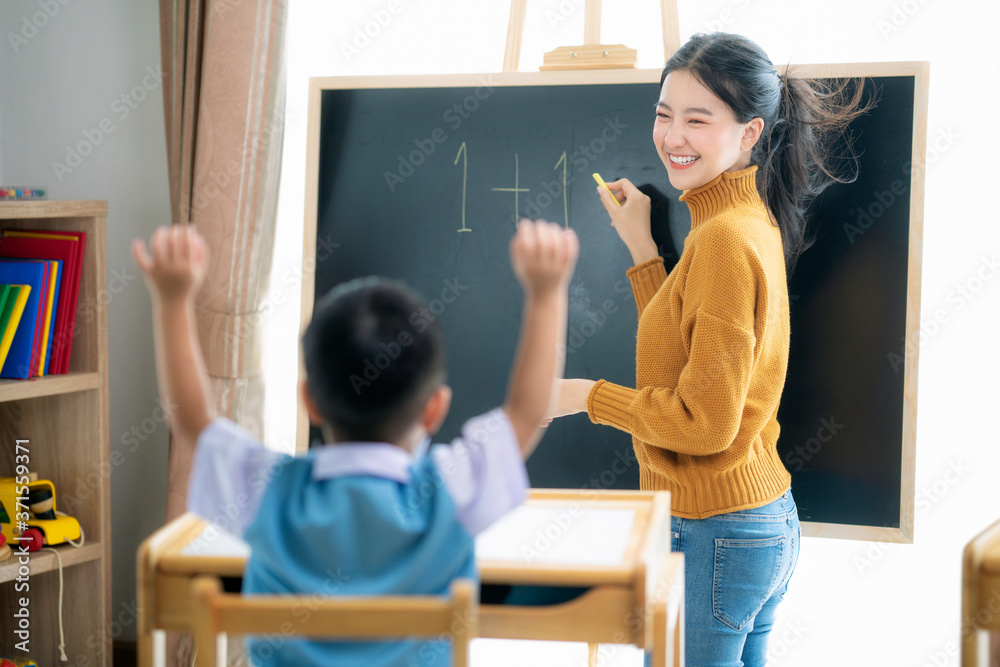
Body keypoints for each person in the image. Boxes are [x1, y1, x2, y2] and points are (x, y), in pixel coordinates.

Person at [545, 32, 872, 665]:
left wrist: (586, 397)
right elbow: (683, 347)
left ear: (750, 132)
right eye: (664, 114)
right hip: (755, 522)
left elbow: (704, 424)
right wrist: (644, 250)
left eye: (698, 119)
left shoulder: (723, 240)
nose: (672, 136)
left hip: (712, 533)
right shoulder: (743, 220)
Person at [132, 218, 578, 666]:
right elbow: (525, 414)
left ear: (310, 401)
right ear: (434, 409)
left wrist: (172, 301)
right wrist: (546, 294)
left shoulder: (271, 490)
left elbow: (193, 422)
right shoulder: (448, 489)